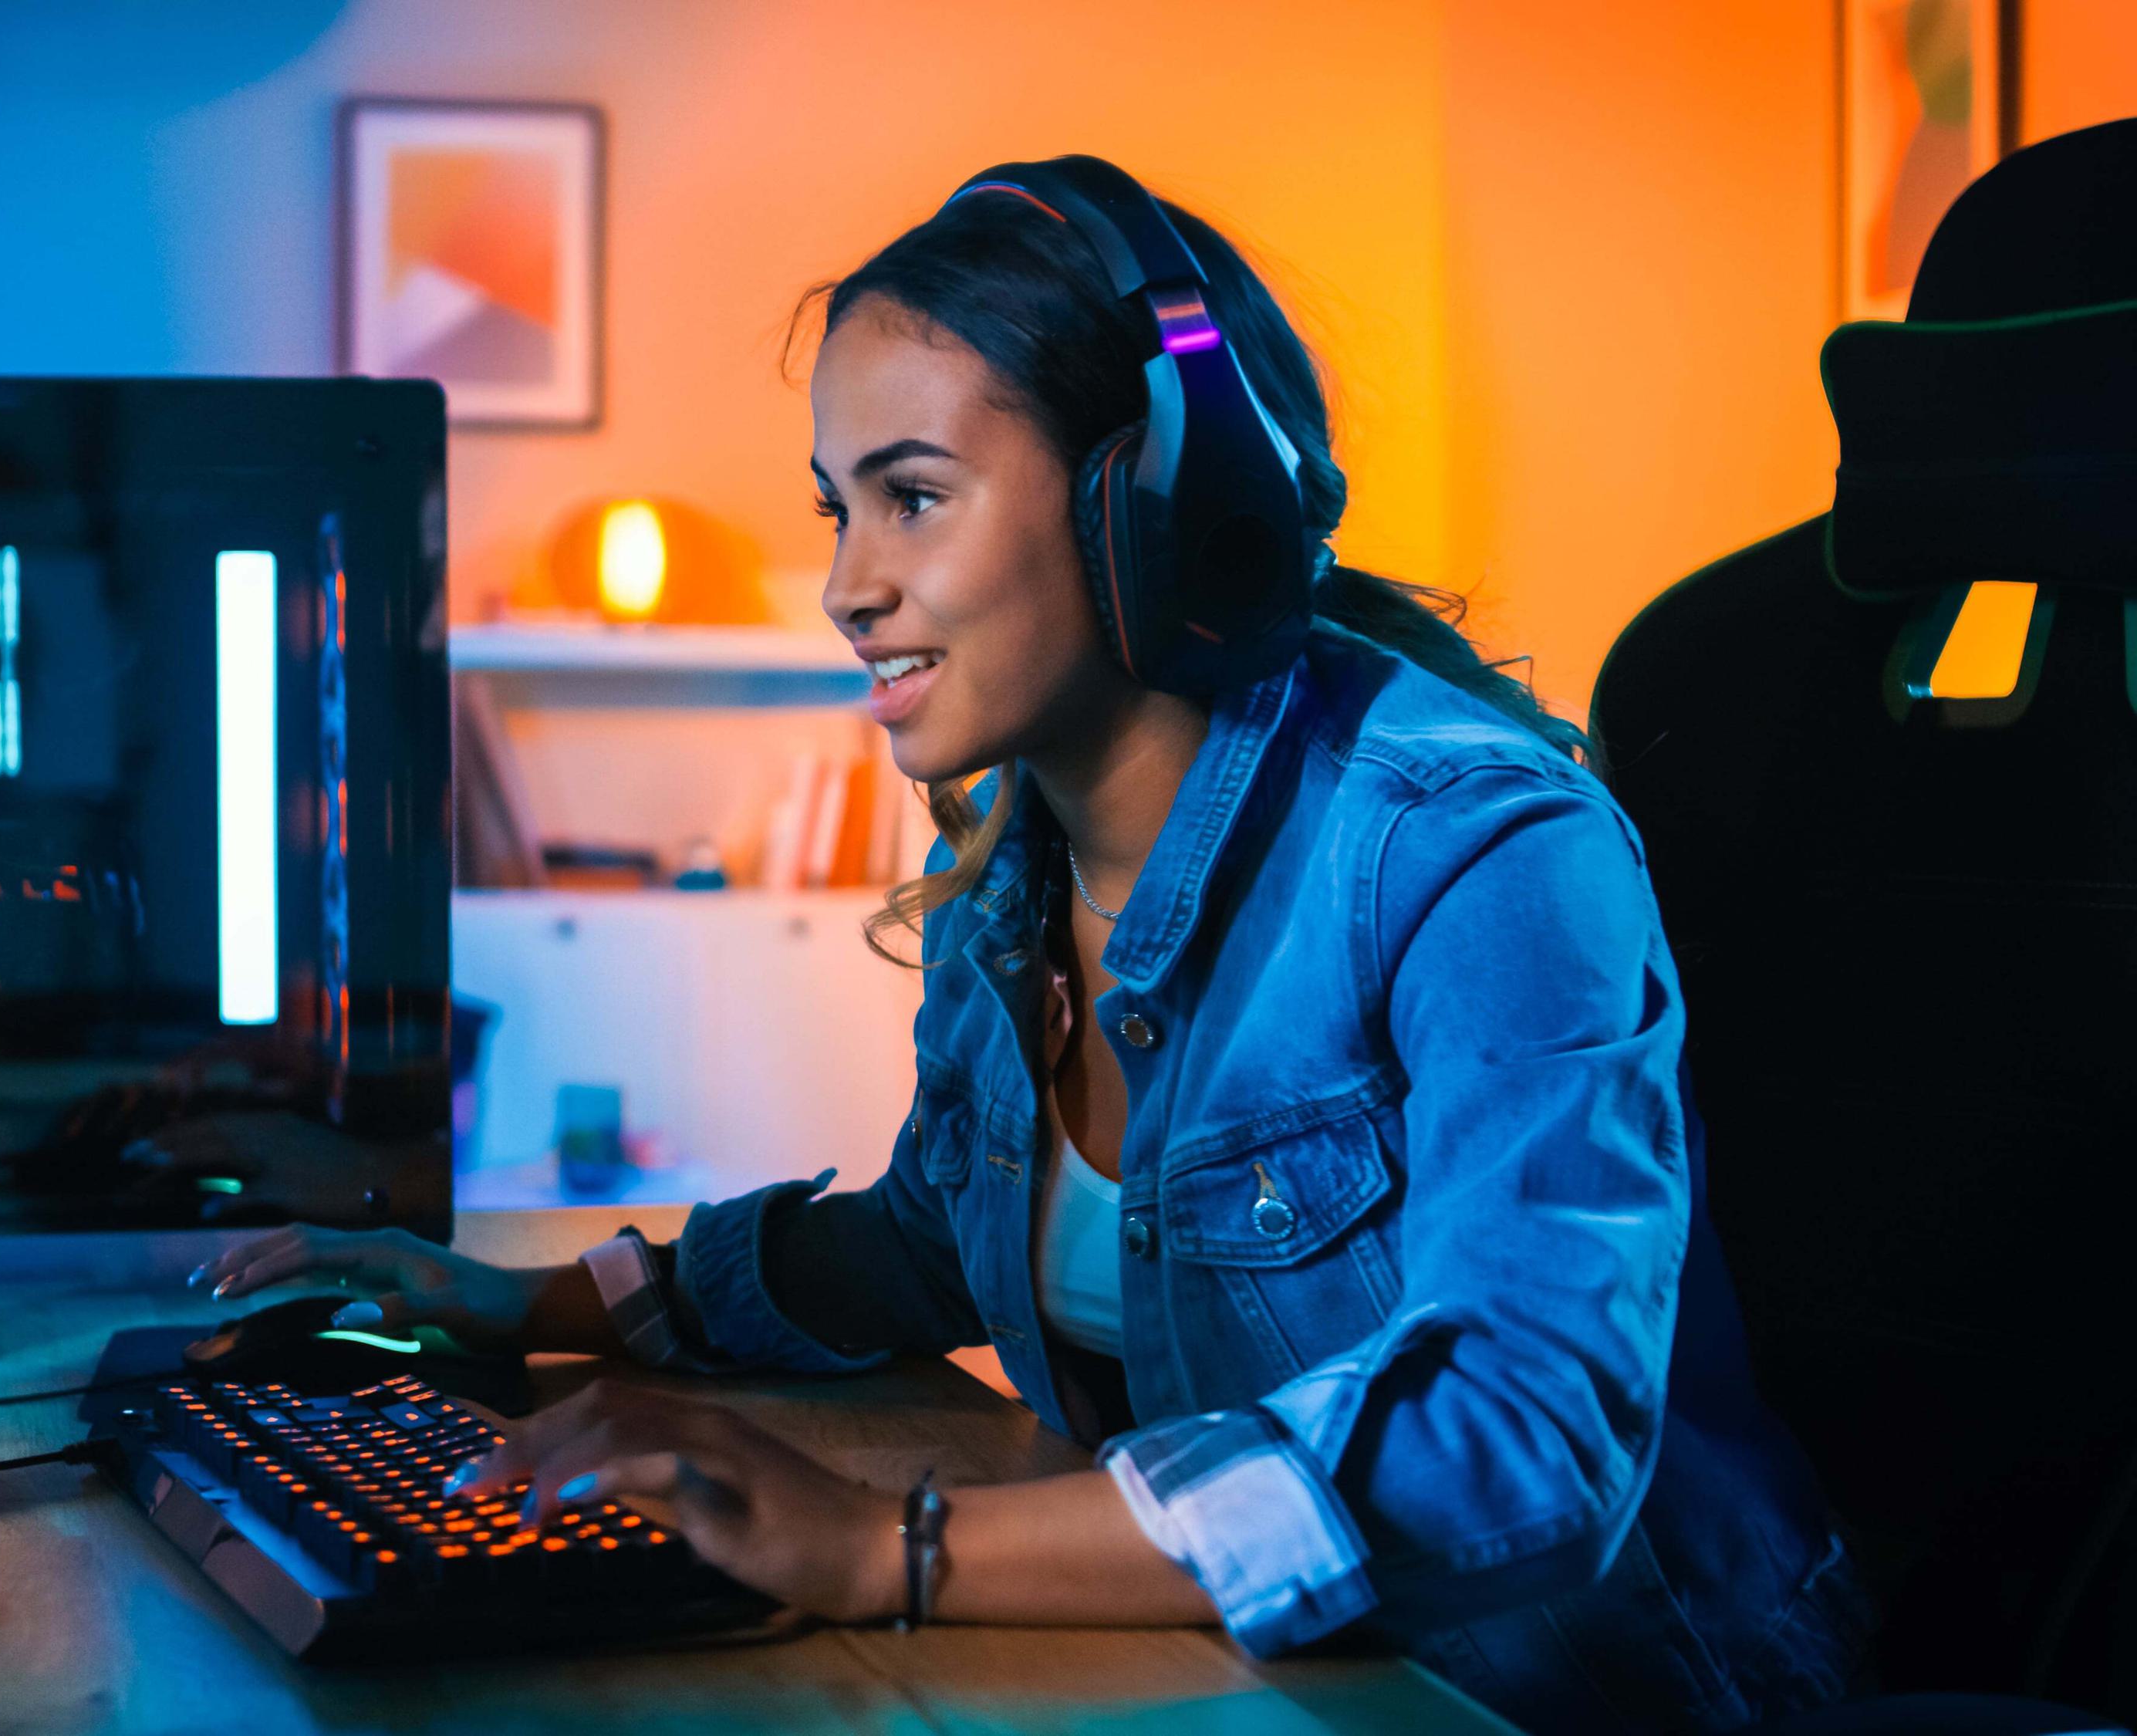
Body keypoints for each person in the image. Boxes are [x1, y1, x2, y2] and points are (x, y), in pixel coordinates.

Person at [194, 156, 1860, 1732]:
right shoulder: (1011, 856)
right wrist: (523, 1309)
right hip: (1265, 1689)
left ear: (1161, 505)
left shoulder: (1478, 851)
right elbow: (935, 1241)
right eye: (836, 510)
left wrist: (885, 1545)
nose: (847, 587)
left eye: (911, 499)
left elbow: (1516, 1444)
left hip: (1578, 1696)